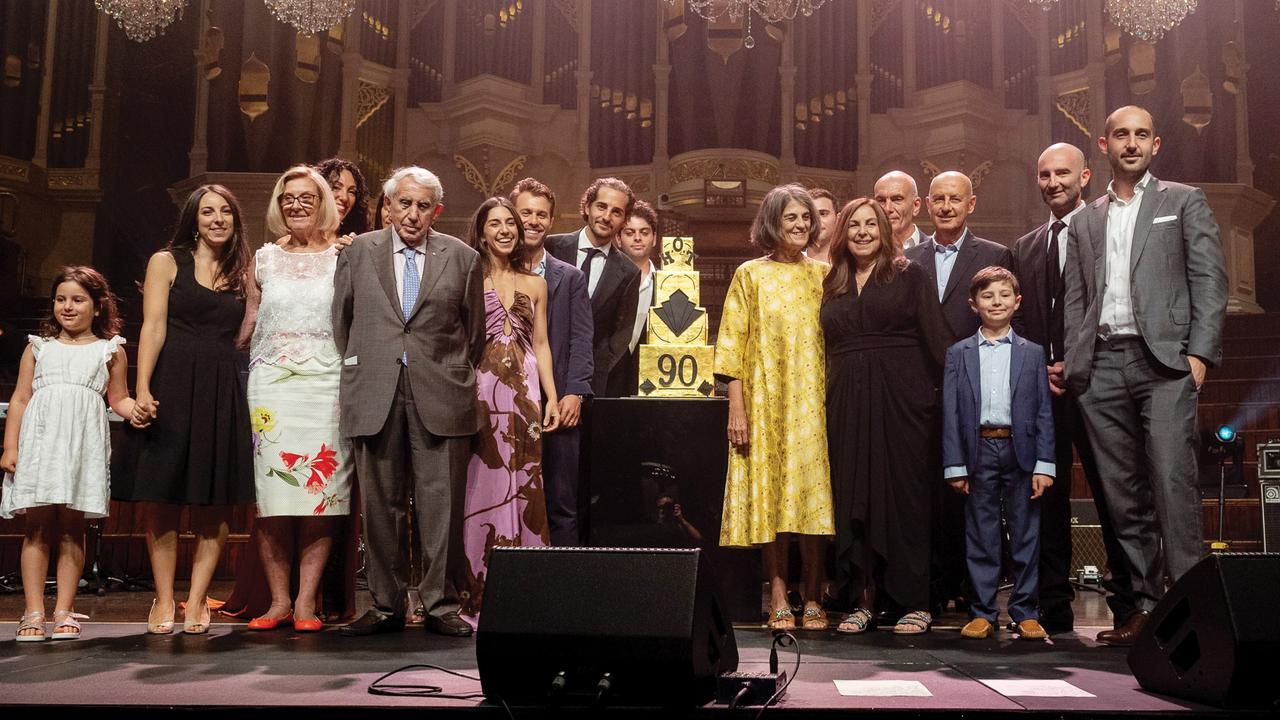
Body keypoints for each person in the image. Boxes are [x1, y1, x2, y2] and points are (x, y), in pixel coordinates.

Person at [1063, 105, 1228, 646]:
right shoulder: (1085, 218)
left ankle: (1192, 612)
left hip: (1164, 364)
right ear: (1103, 145)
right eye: (1120, 135)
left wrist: (1199, 354)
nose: (1131, 144)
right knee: (1119, 495)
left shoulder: (1182, 201)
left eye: (1141, 135)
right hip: (1101, 367)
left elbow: (1209, 279)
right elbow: (1077, 299)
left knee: (1172, 484)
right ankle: (1142, 609)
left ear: (1155, 145)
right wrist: (1076, 358)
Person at [332, 166, 483, 638]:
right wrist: (374, 362)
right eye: (404, 203)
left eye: (423, 206)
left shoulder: (462, 257)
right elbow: (343, 321)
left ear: (435, 211)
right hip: (375, 388)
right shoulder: (358, 251)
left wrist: (438, 368)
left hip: (440, 391)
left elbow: (472, 333)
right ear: (388, 205)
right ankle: (385, 603)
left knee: (441, 503)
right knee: (381, 503)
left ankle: (440, 604)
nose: (412, 214)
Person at [114, 184, 255, 635]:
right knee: (164, 499)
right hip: (171, 383)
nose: (217, 219)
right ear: (193, 218)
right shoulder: (166, 261)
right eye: (208, 211)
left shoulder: (244, 271)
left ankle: (196, 601)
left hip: (221, 388)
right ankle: (162, 600)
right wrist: (141, 390)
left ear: (235, 220)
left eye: (225, 212)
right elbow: (152, 326)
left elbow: (248, 332)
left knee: (215, 503)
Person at [1011, 143, 1135, 634]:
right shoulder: (1025, 246)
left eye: (1063, 172)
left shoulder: (1107, 230)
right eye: (1044, 174)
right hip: (1046, 391)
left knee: (1114, 494)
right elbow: (1018, 315)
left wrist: (1075, 361)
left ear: (1086, 176)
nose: (1053, 181)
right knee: (1047, 495)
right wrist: (1042, 366)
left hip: (1101, 381)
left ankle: (1130, 603)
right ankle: (1052, 604)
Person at [229, 166, 354, 633]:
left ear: (324, 202)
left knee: (322, 495)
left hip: (327, 383)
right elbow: (249, 321)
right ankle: (278, 601)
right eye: (288, 198)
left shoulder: (346, 255)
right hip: (271, 386)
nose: (296, 204)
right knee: (275, 496)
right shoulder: (263, 259)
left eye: (306, 197)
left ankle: (306, 602)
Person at [821, 199, 950, 635]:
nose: (861, 232)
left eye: (870, 224)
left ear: (884, 230)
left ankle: (915, 601)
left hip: (903, 400)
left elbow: (937, 341)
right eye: (853, 225)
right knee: (853, 494)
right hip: (847, 402)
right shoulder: (832, 281)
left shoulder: (910, 274)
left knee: (905, 497)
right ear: (843, 232)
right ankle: (860, 599)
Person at [2, 267, 148, 641]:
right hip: (40, 445)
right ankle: (33, 612)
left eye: (78, 300)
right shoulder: (38, 347)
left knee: (71, 528)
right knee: (36, 527)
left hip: (82, 446)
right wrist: (10, 446)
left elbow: (119, 398)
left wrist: (138, 409)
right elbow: (20, 398)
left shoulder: (109, 350)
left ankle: (65, 610)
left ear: (97, 307)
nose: (68, 307)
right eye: (61, 299)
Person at [716, 183, 834, 631]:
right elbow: (731, 346)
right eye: (791, 218)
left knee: (812, 500)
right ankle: (780, 594)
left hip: (813, 402)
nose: (801, 225)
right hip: (765, 402)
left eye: (806, 218)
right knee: (772, 500)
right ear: (772, 222)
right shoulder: (750, 274)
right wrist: (737, 409)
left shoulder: (824, 275)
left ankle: (815, 594)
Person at [904, 170, 1012, 614]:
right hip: (919, 389)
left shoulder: (994, 253)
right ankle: (932, 582)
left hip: (973, 390)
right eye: (939, 199)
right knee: (926, 488)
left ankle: (970, 585)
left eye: (956, 199)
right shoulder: (907, 259)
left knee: (971, 491)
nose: (947, 206)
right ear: (928, 205)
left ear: (972, 204)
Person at [457, 197, 560, 627]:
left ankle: (528, 594)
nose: (505, 230)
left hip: (524, 395)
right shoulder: (467, 279)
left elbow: (541, 344)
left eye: (510, 224)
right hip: (479, 391)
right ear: (481, 232)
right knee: (482, 483)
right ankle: (477, 592)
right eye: (495, 223)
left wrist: (552, 396)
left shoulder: (535, 283)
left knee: (526, 484)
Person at [943, 266, 1055, 641]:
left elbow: (1043, 410)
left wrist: (1045, 464)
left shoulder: (1032, 353)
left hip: (1020, 450)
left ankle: (1025, 611)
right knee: (981, 533)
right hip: (978, 450)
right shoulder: (958, 353)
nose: (996, 302)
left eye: (1004, 295)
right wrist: (955, 465)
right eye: (988, 296)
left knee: (1026, 533)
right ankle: (982, 611)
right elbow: (951, 413)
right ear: (974, 304)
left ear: (1017, 302)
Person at [510, 178, 593, 546]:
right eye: (526, 212)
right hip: (504, 401)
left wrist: (575, 391)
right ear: (512, 215)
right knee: (507, 496)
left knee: (561, 501)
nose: (533, 220)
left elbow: (581, 338)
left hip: (556, 402)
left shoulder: (570, 277)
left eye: (541, 215)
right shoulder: (483, 271)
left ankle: (565, 594)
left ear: (552, 221)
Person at [545, 177, 642, 397]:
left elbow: (621, 334)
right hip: (543, 371)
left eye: (616, 212)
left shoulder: (629, 272)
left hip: (592, 385)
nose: (606, 217)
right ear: (587, 206)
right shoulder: (551, 247)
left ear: (624, 221)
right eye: (601, 206)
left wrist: (596, 372)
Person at [612, 199, 660, 396]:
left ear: (654, 238)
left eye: (644, 232)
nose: (637, 238)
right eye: (630, 233)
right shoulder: (607, 280)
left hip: (653, 381)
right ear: (618, 239)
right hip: (610, 381)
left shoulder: (668, 284)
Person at [873, 171, 926, 251]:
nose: (888, 208)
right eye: (881, 201)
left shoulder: (936, 251)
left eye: (897, 199)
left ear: (916, 206)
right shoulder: (866, 251)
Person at [806, 188, 838, 263]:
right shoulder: (788, 262)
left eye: (823, 214)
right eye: (810, 215)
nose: (816, 221)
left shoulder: (852, 262)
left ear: (838, 219)